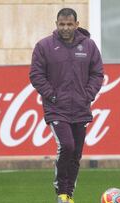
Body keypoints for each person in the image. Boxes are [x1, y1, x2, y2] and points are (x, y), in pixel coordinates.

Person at [29, 8, 104, 203]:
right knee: (66, 145)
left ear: (76, 25)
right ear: (56, 24)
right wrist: (52, 96)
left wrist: (87, 95)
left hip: (81, 108)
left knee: (76, 153)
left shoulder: (89, 46)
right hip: (56, 108)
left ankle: (68, 195)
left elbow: (97, 73)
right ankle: (60, 190)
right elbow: (36, 75)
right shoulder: (44, 46)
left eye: (69, 24)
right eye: (62, 24)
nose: (65, 28)